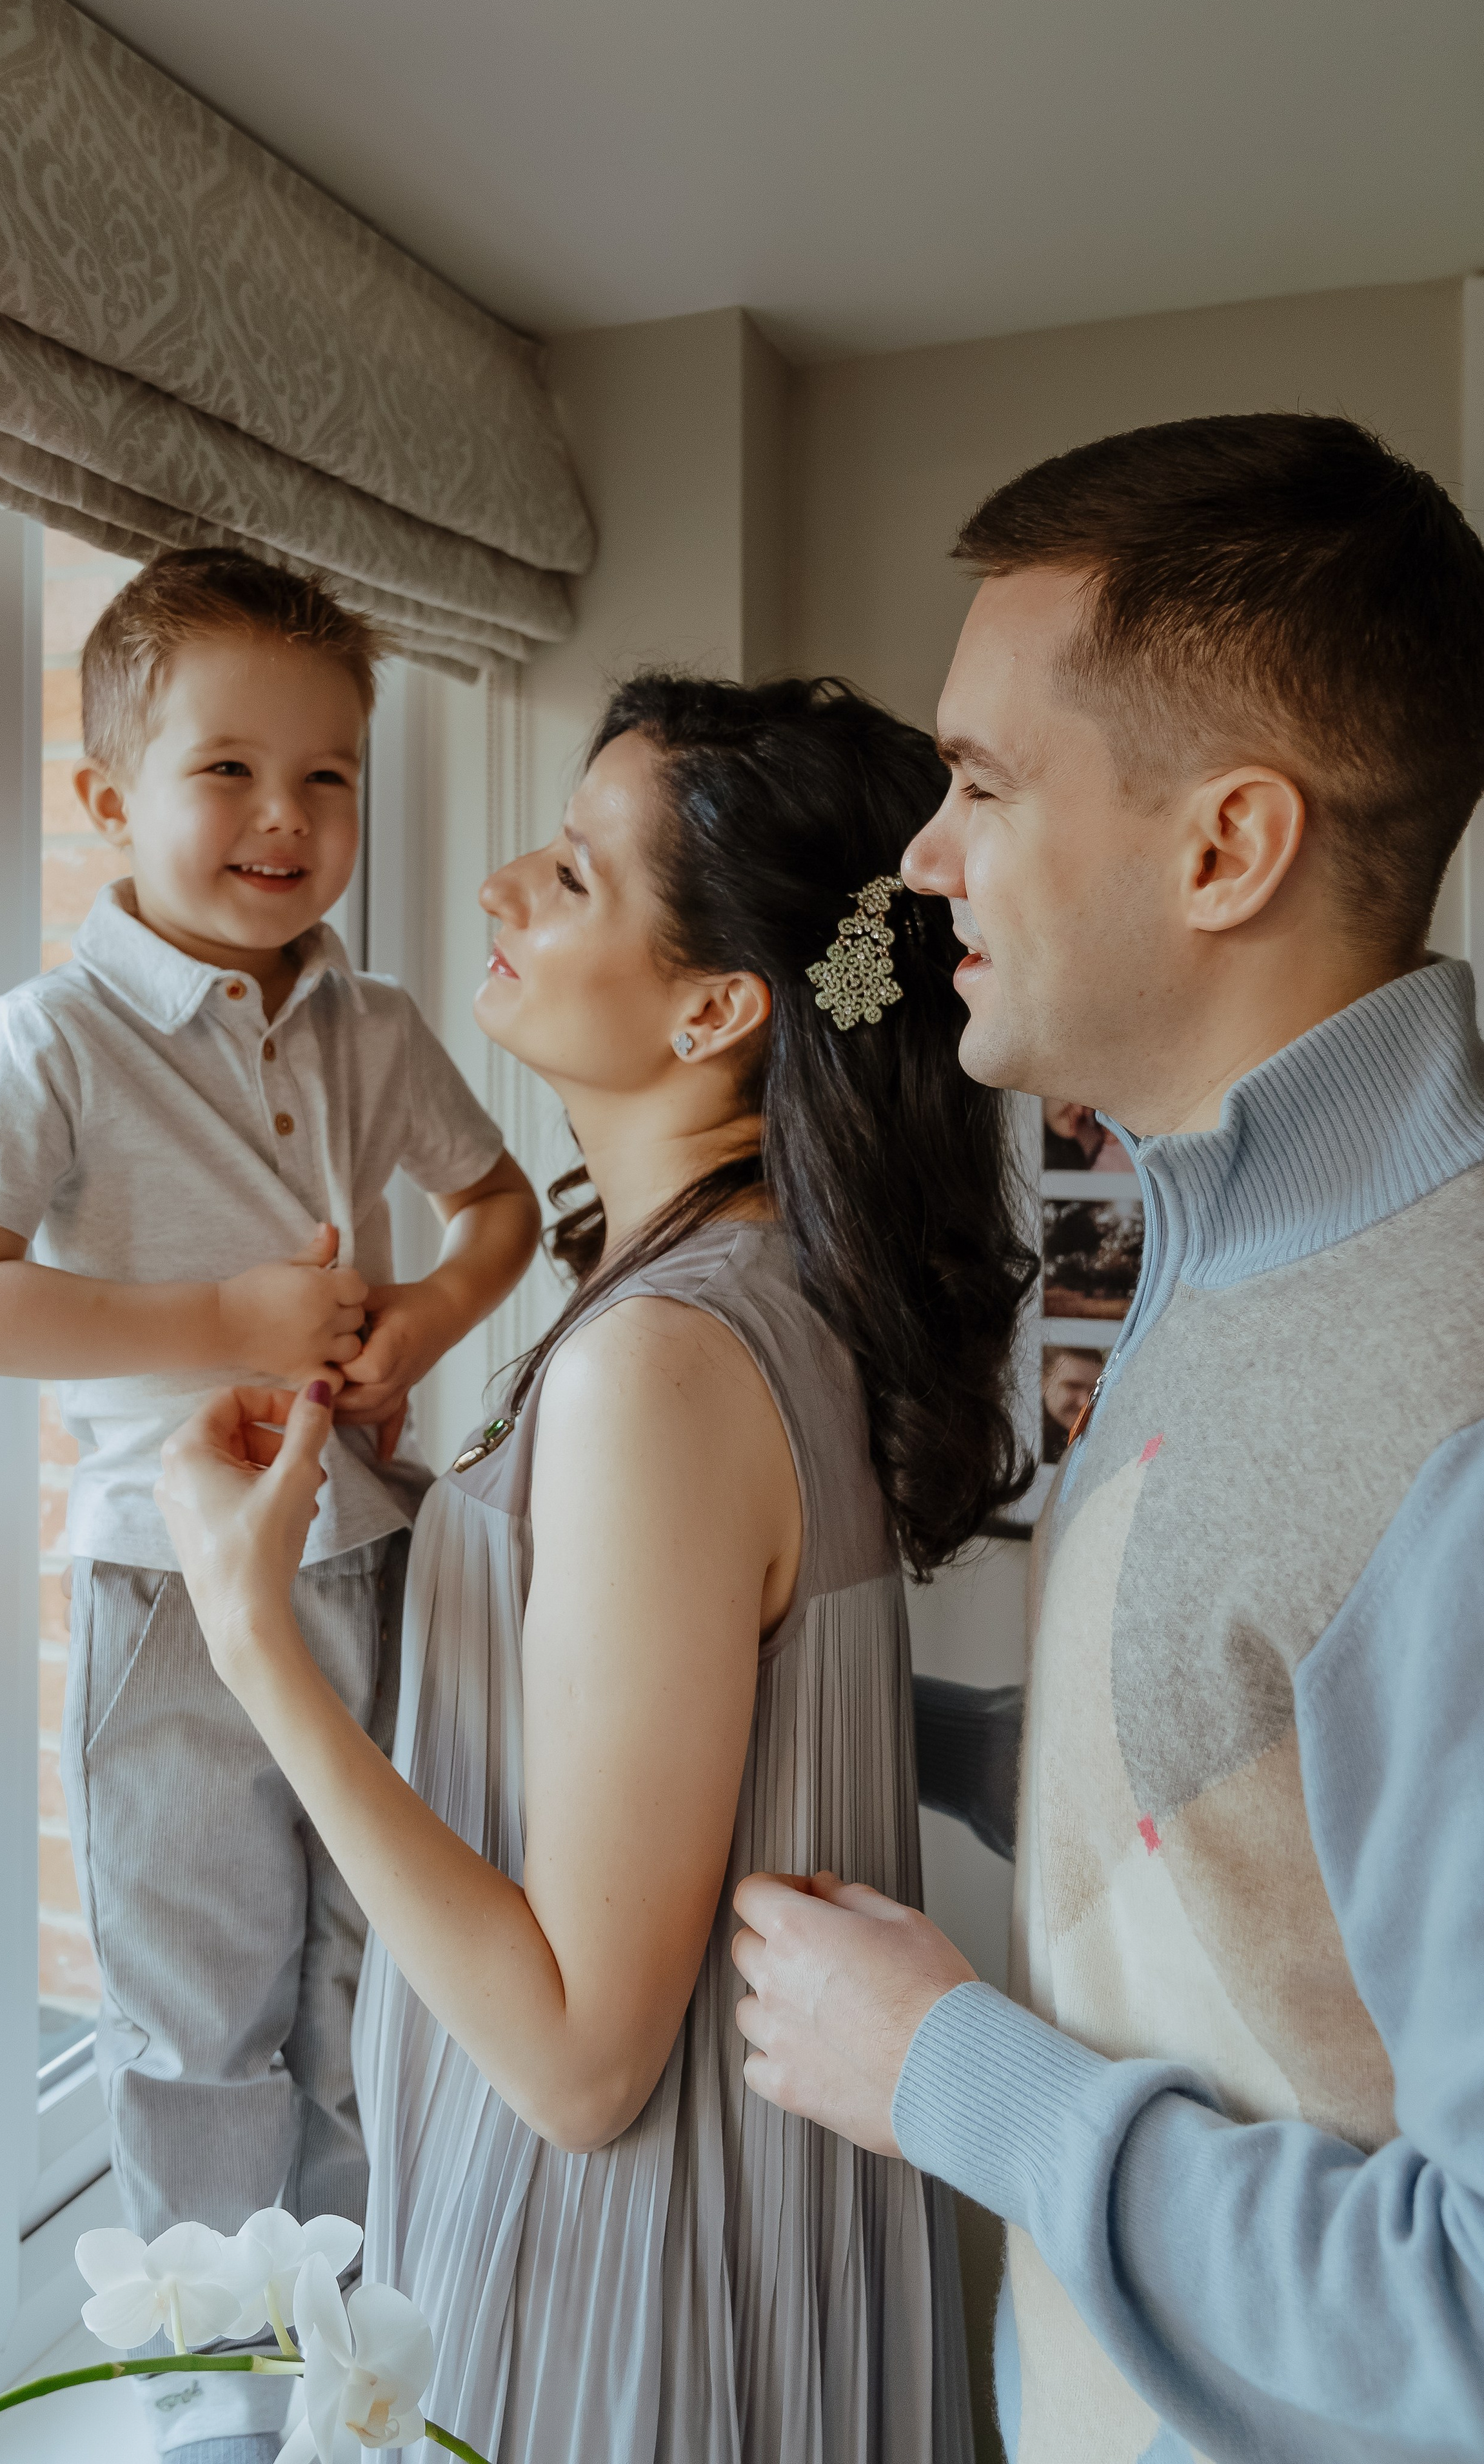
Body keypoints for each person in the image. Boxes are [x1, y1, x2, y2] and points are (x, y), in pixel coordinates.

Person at [151, 672, 1038, 2462]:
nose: (495, 886)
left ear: (717, 1005)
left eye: (567, 873)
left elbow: (575, 2062)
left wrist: (253, 1641)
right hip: (734, 2234)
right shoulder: (769, 1285)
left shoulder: (665, 1359)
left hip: (626, 2273)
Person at [731, 413, 1484, 2463]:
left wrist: (945, 2075)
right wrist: (925, 1742)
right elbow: (1278, 1768)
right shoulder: (1220, 1236)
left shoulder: (1451, 1408)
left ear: (1227, 846)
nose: (923, 863)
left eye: (978, 784)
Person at [0, 550, 540, 2464]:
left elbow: (504, 1209)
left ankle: (356, 2375)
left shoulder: (376, 1023)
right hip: (172, 1597)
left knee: (371, 1987)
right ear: (108, 801)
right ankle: (209, 2409)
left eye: (329, 776)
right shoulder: (54, 1038)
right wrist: (225, 1317)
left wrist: (421, 1315)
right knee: (198, 2013)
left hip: (380, 1569)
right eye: (229, 772)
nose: (285, 819)